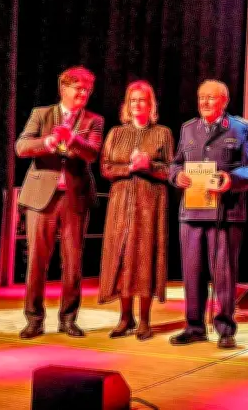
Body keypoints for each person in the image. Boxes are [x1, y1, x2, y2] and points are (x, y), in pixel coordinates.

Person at [168, 80, 248, 349]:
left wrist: (231, 179)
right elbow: (175, 164)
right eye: (202, 98)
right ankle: (194, 327)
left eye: (211, 98)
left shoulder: (241, 128)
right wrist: (177, 176)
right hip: (192, 214)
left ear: (224, 101)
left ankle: (225, 329)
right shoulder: (188, 128)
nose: (205, 102)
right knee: (192, 273)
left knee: (224, 275)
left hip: (225, 213)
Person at [15, 66, 104, 339]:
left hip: (74, 197)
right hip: (42, 197)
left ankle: (68, 319)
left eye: (87, 90)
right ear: (63, 88)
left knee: (73, 262)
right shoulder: (41, 114)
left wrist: (73, 139)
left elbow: (93, 153)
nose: (83, 94)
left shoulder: (94, 120)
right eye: (78, 88)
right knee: (37, 260)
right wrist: (49, 141)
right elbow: (21, 147)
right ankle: (34, 319)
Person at [99, 80, 174, 341]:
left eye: (142, 100)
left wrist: (149, 167)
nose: (137, 104)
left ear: (151, 105)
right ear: (127, 105)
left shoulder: (163, 133)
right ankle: (125, 317)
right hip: (120, 204)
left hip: (150, 204)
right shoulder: (116, 133)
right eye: (133, 100)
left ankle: (144, 320)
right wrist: (129, 168)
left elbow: (171, 170)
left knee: (144, 257)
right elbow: (106, 167)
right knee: (121, 257)